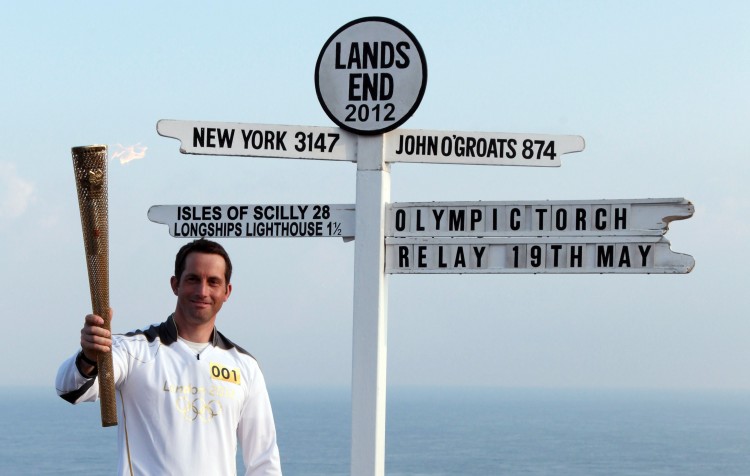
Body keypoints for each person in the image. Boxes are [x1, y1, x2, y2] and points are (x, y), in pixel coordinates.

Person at [56, 239, 282, 475]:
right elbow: (70, 389)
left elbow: (264, 461)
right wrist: (89, 357)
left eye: (213, 282)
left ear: (227, 292)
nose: (202, 291)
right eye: (193, 279)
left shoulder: (245, 366)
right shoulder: (133, 350)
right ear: (175, 284)